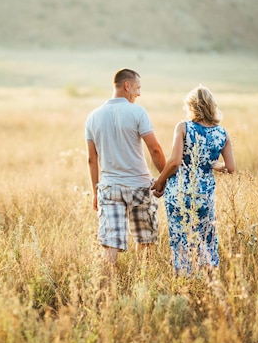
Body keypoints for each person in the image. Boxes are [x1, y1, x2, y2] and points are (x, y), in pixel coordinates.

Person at [85, 68, 166, 266]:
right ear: (127, 86)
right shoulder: (138, 112)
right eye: (137, 88)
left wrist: (96, 191)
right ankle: (145, 284)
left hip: (109, 188)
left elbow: (91, 159)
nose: (139, 94)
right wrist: (164, 178)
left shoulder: (93, 116)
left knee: (110, 244)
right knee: (146, 241)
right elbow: (154, 149)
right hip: (139, 186)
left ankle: (106, 290)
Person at [151, 85, 235, 275]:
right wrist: (213, 165)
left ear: (192, 106)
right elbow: (230, 168)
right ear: (211, 106)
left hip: (179, 194)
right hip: (205, 196)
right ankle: (208, 279)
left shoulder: (183, 127)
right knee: (206, 239)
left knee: (181, 239)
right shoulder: (222, 134)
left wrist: (160, 181)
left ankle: (185, 280)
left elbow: (174, 161)